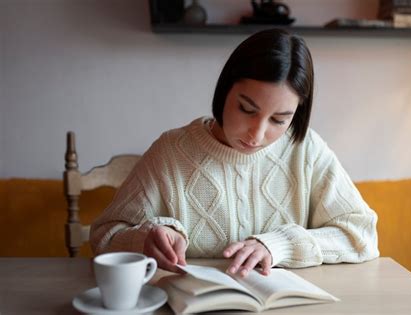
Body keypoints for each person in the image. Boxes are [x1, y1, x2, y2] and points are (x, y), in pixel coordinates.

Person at [90, 28, 379, 277]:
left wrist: (280, 245)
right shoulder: (171, 152)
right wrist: (146, 238)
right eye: (247, 109)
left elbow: (362, 236)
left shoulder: (306, 150)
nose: (257, 134)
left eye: (279, 120)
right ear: (224, 91)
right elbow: (105, 234)